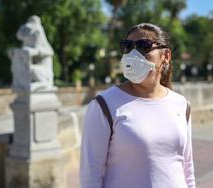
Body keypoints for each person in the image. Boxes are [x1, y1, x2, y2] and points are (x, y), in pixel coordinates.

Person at [80, 23, 196, 188]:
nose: (134, 53)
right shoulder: (104, 106)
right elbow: (90, 177)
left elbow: (187, 169)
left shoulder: (182, 105)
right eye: (128, 47)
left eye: (144, 46)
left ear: (166, 56)